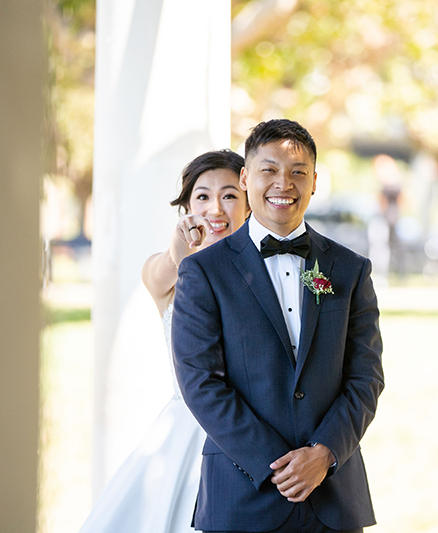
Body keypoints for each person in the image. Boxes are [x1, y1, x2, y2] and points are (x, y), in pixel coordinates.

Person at [172, 119, 384, 533]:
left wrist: (324, 453)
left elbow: (366, 375)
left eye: (298, 172)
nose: (283, 184)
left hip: (334, 497)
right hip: (242, 493)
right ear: (246, 177)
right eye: (269, 170)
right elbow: (200, 382)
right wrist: (279, 465)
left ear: (315, 182)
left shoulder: (350, 269)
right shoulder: (203, 272)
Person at [79, 149, 250, 533]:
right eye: (202, 196)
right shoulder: (168, 270)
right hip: (186, 429)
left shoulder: (265, 272)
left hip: (250, 428)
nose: (216, 208)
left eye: (229, 195)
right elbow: (163, 270)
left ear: (248, 204)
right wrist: (180, 249)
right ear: (187, 207)